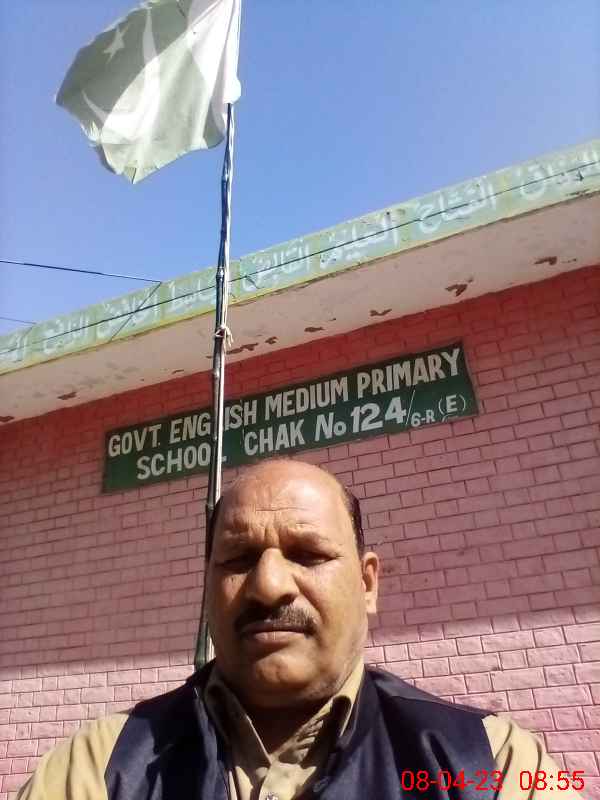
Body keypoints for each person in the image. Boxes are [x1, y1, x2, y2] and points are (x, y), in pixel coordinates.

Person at [17, 458, 583, 800]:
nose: (268, 586)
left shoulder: (496, 765)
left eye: (308, 554)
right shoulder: (96, 768)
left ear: (367, 583)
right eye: (238, 559)